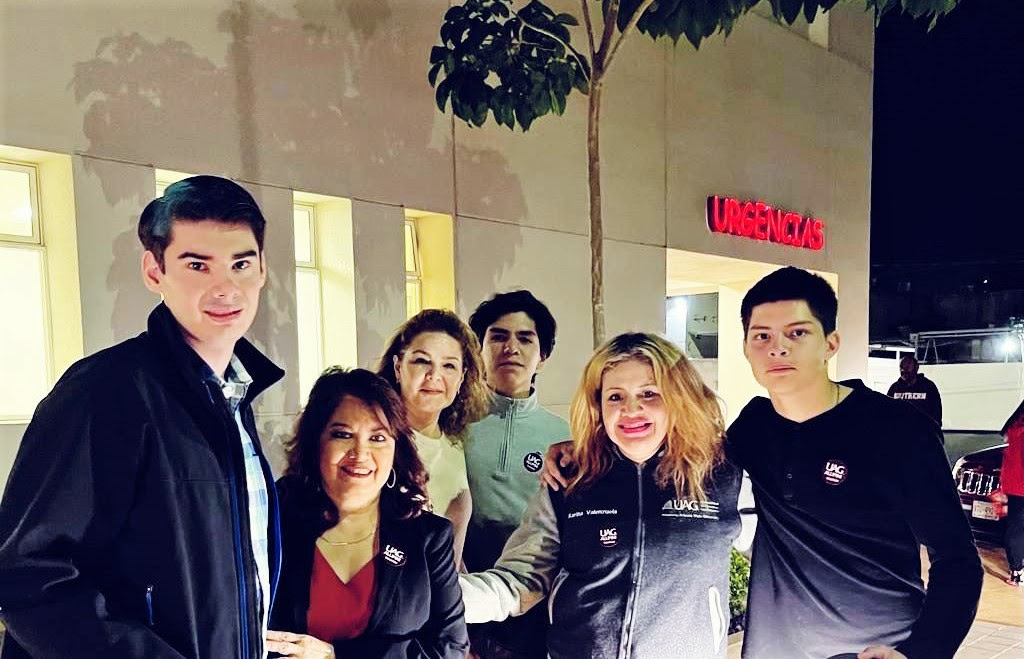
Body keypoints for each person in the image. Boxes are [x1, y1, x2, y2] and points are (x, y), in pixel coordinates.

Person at [544, 268, 982, 659]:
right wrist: (590, 445)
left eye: (797, 333)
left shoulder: (899, 431)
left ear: (830, 344)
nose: (777, 349)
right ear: (746, 348)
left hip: (878, 648)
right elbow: (676, 444)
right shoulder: (753, 428)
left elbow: (958, 561)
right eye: (762, 337)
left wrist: (921, 652)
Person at [0, 176, 283, 658]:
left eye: (241, 264)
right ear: (154, 271)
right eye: (197, 265)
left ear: (261, 270)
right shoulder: (105, 391)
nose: (226, 288)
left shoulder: (233, 398)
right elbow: (28, 575)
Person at [460, 333, 742, 658]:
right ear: (598, 406)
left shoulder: (724, 475)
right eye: (615, 397)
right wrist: (439, 597)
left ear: (678, 396)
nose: (630, 410)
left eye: (649, 393)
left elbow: (777, 550)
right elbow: (521, 581)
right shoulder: (571, 477)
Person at [267, 368, 469, 658]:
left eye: (378, 438)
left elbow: (450, 649)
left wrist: (335, 655)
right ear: (315, 444)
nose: (360, 453)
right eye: (342, 435)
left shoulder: (429, 537)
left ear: (396, 448)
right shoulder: (275, 526)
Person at [463, 290, 569, 658]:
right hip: (459, 595)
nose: (511, 348)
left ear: (543, 355)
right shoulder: (449, 427)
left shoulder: (566, 438)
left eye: (525, 338)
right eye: (498, 336)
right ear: (478, 349)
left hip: (536, 604)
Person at [377, 309, 490, 564]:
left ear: (461, 377)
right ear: (398, 367)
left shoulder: (457, 444)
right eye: (421, 361)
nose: (434, 375)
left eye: (448, 365)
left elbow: (451, 554)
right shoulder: (375, 441)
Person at [997, 399, 1024, 586]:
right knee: (1017, 530)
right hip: (1021, 486)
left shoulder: (1014, 425)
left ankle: (1016, 570)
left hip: (1013, 486)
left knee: (1015, 528)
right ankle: (1018, 572)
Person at [887, 355, 943, 427]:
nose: (903, 370)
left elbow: (936, 413)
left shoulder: (928, 387)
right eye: (902, 368)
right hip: (900, 430)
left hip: (922, 431)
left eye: (907, 367)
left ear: (916, 368)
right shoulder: (894, 388)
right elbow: (887, 410)